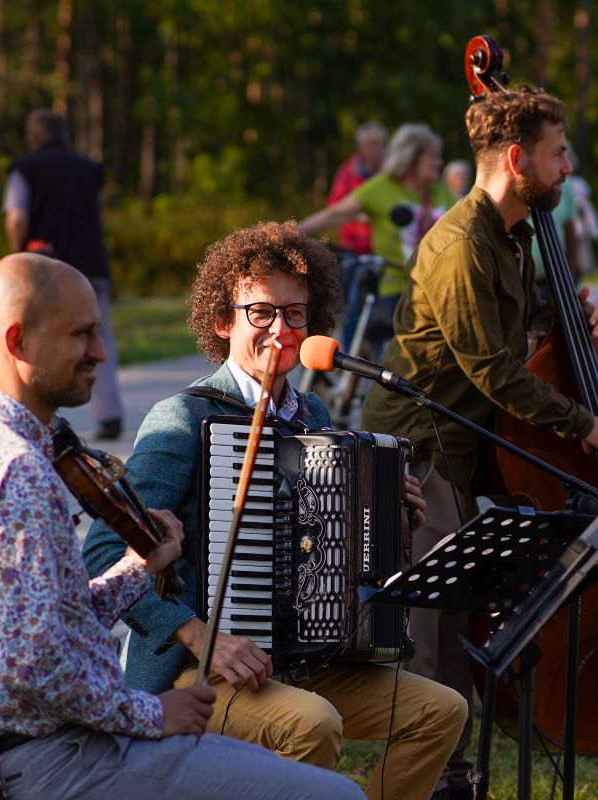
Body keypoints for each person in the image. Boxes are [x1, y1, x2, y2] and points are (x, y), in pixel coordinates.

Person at [0, 252, 362, 800]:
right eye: (81, 334)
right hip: (53, 755)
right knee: (335, 796)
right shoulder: (14, 473)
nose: (100, 353)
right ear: (18, 341)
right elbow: (33, 667)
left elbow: (51, 622)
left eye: (98, 332)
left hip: (54, 742)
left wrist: (138, 568)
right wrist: (150, 713)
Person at [81, 221, 466, 800]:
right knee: (311, 723)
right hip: (198, 667)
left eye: (294, 313)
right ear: (223, 320)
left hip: (302, 658)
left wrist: (388, 524)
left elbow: (324, 547)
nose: (280, 329)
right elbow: (106, 550)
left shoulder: (312, 415)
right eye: (260, 312)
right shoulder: (184, 418)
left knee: (440, 711)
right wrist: (202, 635)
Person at [361, 86, 598, 800]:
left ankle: (453, 774)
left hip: (462, 447)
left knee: (458, 616)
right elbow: (492, 367)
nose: (567, 167)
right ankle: (422, 782)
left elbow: (518, 323)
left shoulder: (512, 235)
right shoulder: (459, 244)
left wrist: (573, 313)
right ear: (518, 159)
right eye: (558, 153)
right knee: (429, 631)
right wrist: (584, 424)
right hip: (417, 451)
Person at [3, 108, 124, 441]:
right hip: (91, 267)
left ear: (32, 136)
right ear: (63, 135)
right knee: (98, 339)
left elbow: (16, 218)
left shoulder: (25, 169)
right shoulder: (89, 168)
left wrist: (17, 255)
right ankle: (109, 415)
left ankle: (36, 416)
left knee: (39, 338)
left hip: (46, 272)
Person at [300, 123, 453, 336]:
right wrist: (293, 231)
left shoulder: (441, 191)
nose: (439, 163)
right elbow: (336, 213)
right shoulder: (382, 186)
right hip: (397, 293)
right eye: (433, 157)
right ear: (412, 157)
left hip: (440, 292)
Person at [328, 122, 388, 255]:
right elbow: (334, 205)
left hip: (385, 249)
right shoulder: (347, 172)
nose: (378, 148)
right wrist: (358, 215)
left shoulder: (391, 173)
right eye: (373, 143)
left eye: (381, 143)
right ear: (360, 146)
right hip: (354, 248)